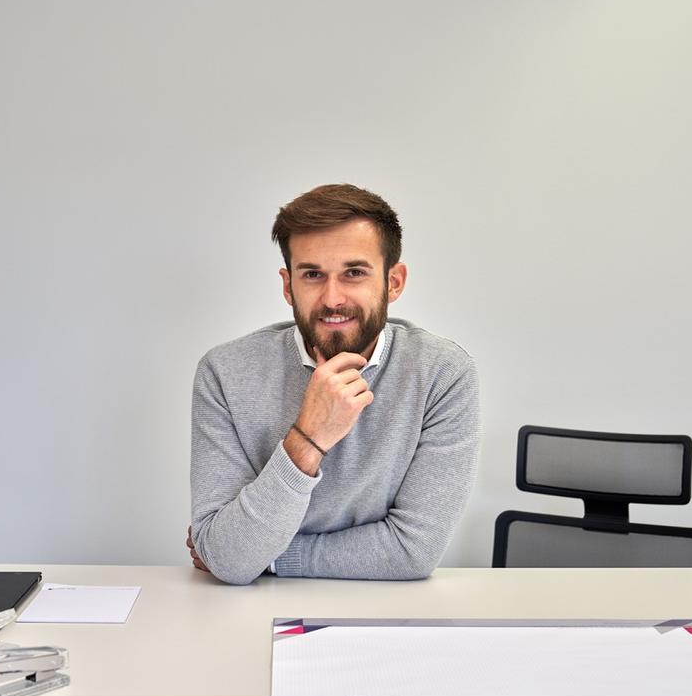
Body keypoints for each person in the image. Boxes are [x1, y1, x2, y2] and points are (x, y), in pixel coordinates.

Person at [187, 184, 480, 584]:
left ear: (394, 281)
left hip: (388, 610)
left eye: (354, 273)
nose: (332, 298)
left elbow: (413, 551)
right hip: (249, 610)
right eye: (312, 275)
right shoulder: (224, 372)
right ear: (288, 285)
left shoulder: (442, 373)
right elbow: (228, 559)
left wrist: (269, 559)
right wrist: (309, 437)